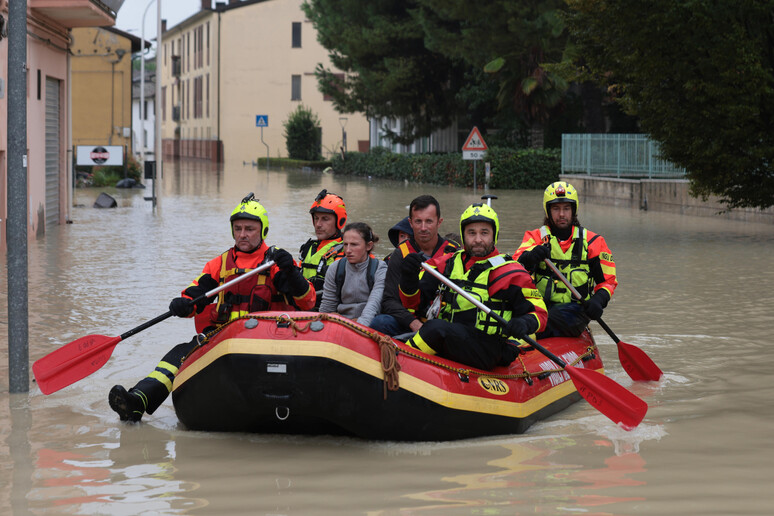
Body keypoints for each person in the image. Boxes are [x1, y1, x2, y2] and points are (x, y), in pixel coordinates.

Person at [108, 194, 316, 422]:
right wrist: (183, 304)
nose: (242, 234)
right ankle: (139, 401)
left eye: (249, 228)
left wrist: (291, 272)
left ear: (263, 230)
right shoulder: (219, 264)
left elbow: (306, 302)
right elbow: (195, 294)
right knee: (180, 353)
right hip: (223, 336)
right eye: (238, 228)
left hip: (266, 337)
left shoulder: (276, 262)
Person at [398, 203, 548, 370]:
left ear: (494, 235)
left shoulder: (512, 272)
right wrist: (408, 277)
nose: (477, 240)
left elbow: (540, 314)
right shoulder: (443, 264)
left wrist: (524, 323)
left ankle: (400, 365)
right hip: (454, 339)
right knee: (396, 330)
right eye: (471, 233)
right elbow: (412, 305)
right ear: (463, 235)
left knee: (435, 329)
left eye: (484, 233)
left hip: (491, 347)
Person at [513, 181, 617, 337]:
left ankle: (529, 329)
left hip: (575, 312)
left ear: (573, 211)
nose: (561, 214)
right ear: (548, 211)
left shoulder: (593, 242)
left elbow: (608, 281)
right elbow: (516, 266)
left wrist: (598, 301)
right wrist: (530, 256)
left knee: (551, 316)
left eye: (566, 209)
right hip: (541, 307)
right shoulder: (535, 238)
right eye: (556, 209)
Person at [370, 195, 458, 337]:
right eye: (418, 221)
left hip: (442, 324)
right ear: (410, 223)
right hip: (411, 324)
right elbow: (389, 300)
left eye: (429, 221)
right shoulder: (400, 254)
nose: (423, 228)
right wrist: (413, 323)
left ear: (439, 222)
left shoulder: (454, 252)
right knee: (381, 323)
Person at [319, 222, 387, 327]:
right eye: (345, 244)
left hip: (370, 324)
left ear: (368, 246)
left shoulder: (380, 268)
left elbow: (373, 304)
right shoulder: (335, 268)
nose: (348, 250)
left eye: (354, 244)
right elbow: (327, 308)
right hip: (341, 323)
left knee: (383, 321)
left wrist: (357, 327)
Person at [298, 189, 347, 309]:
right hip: (305, 307)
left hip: (329, 310)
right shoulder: (307, 248)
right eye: (316, 218)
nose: (318, 224)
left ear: (339, 221)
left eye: (325, 219)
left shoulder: (348, 250)